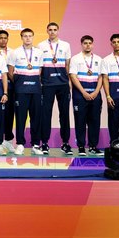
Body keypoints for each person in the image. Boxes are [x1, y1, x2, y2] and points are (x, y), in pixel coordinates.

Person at [7, 28, 43, 155]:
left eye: (30, 36)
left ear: (33, 37)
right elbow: (10, 72)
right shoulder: (14, 52)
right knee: (21, 118)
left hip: (36, 90)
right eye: (25, 36)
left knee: (36, 117)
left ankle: (35, 144)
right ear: (21, 37)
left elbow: (40, 71)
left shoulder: (39, 53)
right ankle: (20, 144)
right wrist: (18, 83)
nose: (28, 38)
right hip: (21, 90)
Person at [38, 22, 73, 155]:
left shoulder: (66, 45)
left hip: (63, 84)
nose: (52, 32)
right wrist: (40, 82)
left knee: (64, 114)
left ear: (58, 31)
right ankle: (45, 143)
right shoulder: (41, 45)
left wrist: (69, 81)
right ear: (47, 31)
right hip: (47, 85)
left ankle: (65, 143)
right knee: (45, 115)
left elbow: (68, 64)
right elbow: (39, 66)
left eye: (55, 30)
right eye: (50, 30)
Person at [69, 35, 105, 156]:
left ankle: (93, 146)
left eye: (90, 43)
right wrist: (83, 92)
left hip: (95, 95)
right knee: (80, 121)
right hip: (80, 95)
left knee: (94, 121)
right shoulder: (75, 58)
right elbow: (73, 76)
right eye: (85, 43)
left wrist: (95, 92)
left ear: (93, 44)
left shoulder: (99, 59)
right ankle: (81, 147)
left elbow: (101, 77)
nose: (88, 45)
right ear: (81, 44)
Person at [0, 30, 16, 152]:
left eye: (5, 38)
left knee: (9, 113)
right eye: (1, 38)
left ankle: (8, 140)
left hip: (11, 86)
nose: (3, 40)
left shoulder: (13, 52)